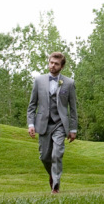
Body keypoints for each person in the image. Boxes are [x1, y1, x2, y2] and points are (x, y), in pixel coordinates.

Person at [27, 52, 78, 193]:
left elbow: (73, 108)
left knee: (57, 153)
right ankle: (52, 173)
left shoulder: (69, 83)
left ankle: (55, 184)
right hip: (43, 124)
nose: (52, 66)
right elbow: (32, 105)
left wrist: (73, 129)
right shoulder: (38, 81)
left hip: (60, 124)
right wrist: (31, 124)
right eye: (51, 62)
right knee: (44, 156)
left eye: (56, 64)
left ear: (61, 66)